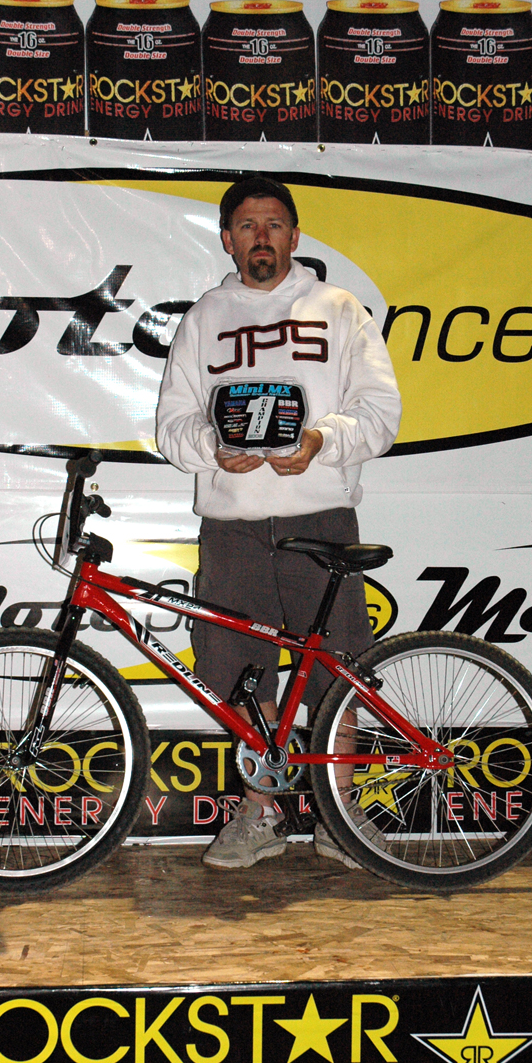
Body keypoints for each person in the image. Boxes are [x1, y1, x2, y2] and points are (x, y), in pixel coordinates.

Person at [156, 176, 401, 869]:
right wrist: (213, 447)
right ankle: (261, 812)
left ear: (294, 236)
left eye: (273, 225)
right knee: (238, 674)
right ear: (227, 239)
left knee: (337, 672)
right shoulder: (205, 317)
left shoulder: (340, 309)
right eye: (247, 225)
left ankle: (341, 816)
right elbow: (172, 424)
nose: (260, 237)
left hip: (320, 520)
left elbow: (380, 411)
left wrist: (321, 440)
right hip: (231, 527)